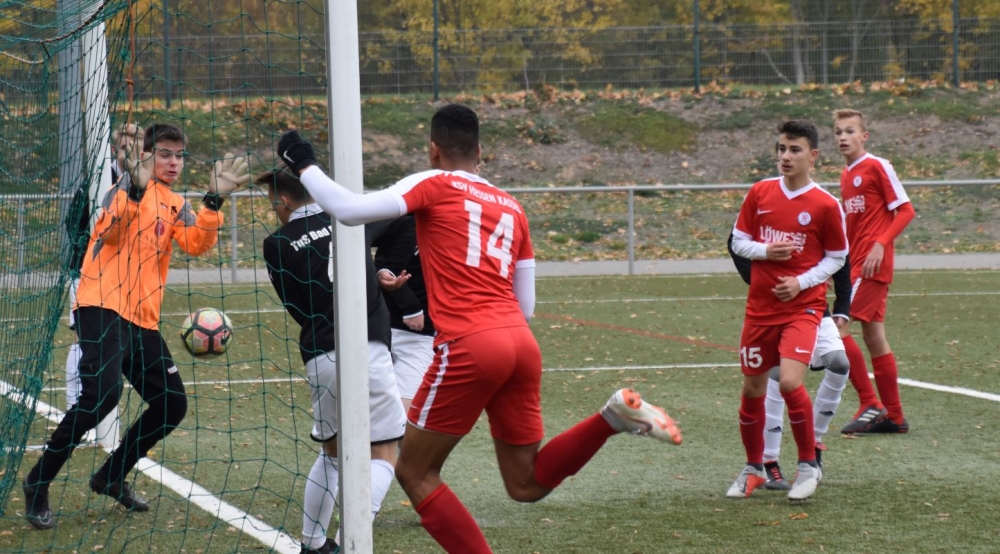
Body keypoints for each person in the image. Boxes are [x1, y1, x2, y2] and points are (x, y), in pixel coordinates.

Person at [277, 103, 682, 553]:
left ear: (434, 149)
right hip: (521, 344)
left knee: (414, 471)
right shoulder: (512, 206)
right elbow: (526, 304)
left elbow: (350, 211)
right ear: (480, 152)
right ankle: (611, 418)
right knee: (525, 483)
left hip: (470, 343)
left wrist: (303, 162)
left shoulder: (434, 182)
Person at [21, 123, 250, 530]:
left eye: (179, 155)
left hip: (141, 318)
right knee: (102, 396)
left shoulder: (176, 202)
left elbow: (196, 244)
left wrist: (214, 201)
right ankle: (38, 481)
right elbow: (109, 234)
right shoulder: (121, 188)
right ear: (146, 155)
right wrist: (136, 191)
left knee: (172, 405)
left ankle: (111, 475)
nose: (174, 162)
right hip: (101, 305)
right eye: (164, 154)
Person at [259, 169, 407, 554]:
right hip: (368, 345)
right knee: (385, 451)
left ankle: (312, 543)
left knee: (332, 452)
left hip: (321, 352)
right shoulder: (351, 216)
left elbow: (295, 305)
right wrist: (384, 270)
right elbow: (401, 213)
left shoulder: (276, 244)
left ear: (283, 201)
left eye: (272, 202)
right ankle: (347, 544)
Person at [727, 120, 848, 501]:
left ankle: (808, 466)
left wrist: (801, 282)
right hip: (760, 309)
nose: (785, 156)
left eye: (795, 150)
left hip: (803, 309)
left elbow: (837, 257)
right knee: (752, 388)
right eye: (781, 149)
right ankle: (754, 469)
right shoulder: (760, 192)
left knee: (791, 382)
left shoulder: (825, 204)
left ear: (813, 156)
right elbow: (738, 242)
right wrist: (765, 251)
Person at [727, 232, 852, 490]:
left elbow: (839, 252)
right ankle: (769, 461)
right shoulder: (762, 209)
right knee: (777, 374)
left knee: (840, 364)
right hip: (772, 307)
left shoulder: (823, 210)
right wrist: (762, 279)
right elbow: (735, 242)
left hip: (813, 307)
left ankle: (813, 443)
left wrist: (842, 304)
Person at [834, 109, 916, 435]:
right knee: (874, 337)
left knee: (836, 329)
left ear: (864, 136)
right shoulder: (846, 174)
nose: (843, 137)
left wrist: (881, 244)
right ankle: (895, 416)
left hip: (870, 266)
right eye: (838, 132)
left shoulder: (878, 166)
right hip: (855, 264)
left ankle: (870, 402)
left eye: (849, 131)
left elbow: (906, 210)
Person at [64, 124, 144, 442]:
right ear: (114, 149)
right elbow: (73, 223)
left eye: (136, 147)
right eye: (124, 147)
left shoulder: (145, 182)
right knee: (84, 342)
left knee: (117, 343)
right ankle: (76, 409)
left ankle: (103, 415)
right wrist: (95, 253)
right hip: (88, 274)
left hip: (127, 279)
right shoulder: (99, 182)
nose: (130, 153)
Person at [370, 214, 435, 413]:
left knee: (399, 414)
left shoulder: (460, 227)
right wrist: (410, 307)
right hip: (392, 331)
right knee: (394, 415)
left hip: (421, 336)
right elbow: (386, 265)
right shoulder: (412, 223)